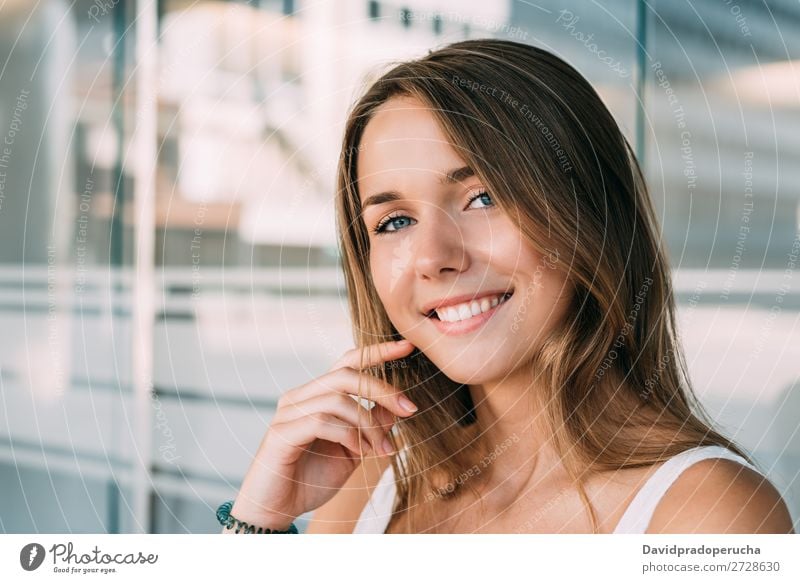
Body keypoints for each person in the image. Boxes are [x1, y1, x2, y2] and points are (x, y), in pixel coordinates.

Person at [223, 39, 794, 534]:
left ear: (589, 215)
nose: (432, 258)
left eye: (483, 197)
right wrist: (258, 519)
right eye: (394, 221)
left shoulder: (707, 514)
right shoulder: (371, 484)